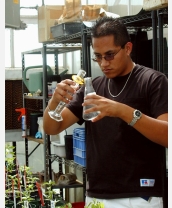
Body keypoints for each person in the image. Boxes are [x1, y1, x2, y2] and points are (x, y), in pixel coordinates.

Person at [43, 17, 168, 208]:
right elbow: (52, 127)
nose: (103, 63)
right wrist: (54, 102)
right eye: (98, 56)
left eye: (109, 55)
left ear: (127, 48)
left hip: (140, 196)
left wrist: (122, 111)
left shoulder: (152, 81)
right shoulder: (92, 87)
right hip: (97, 195)